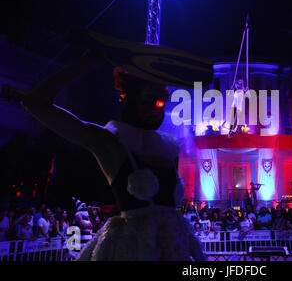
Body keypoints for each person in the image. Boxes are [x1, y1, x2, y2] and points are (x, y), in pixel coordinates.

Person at [14, 50, 205, 260]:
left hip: (174, 249)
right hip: (131, 249)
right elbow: (35, 103)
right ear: (131, 98)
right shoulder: (110, 142)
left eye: (161, 101)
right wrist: (87, 61)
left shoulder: (167, 149)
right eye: (148, 99)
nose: (155, 108)